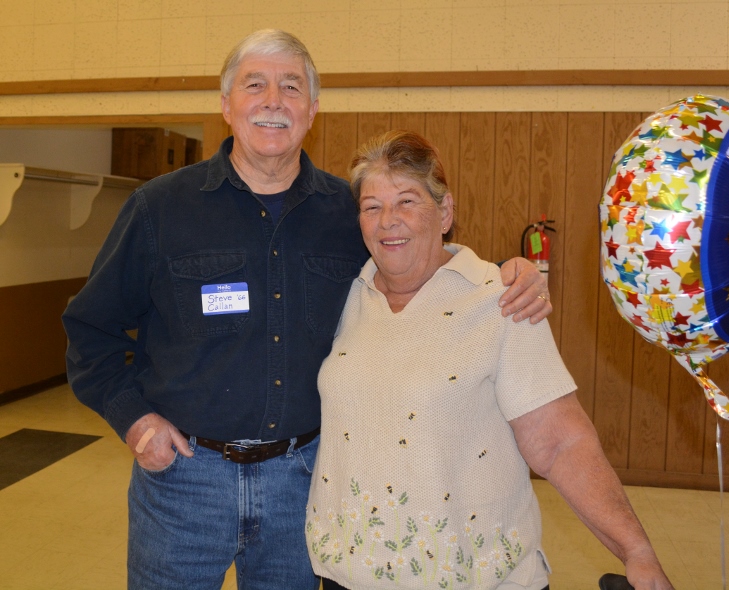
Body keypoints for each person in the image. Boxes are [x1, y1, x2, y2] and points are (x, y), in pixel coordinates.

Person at [61, 30, 550, 590]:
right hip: (183, 483)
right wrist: (134, 419)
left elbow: (420, 265)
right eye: (255, 85)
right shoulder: (159, 209)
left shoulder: (349, 213)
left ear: (312, 109)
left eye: (291, 87)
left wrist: (509, 273)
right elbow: (89, 328)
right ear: (227, 105)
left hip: (305, 483)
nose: (273, 100)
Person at [305, 130, 674, 590]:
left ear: (445, 212)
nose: (387, 222)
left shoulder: (501, 300)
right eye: (372, 206)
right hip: (348, 573)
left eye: (406, 201)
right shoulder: (343, 296)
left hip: (471, 576)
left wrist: (635, 550)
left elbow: (560, 444)